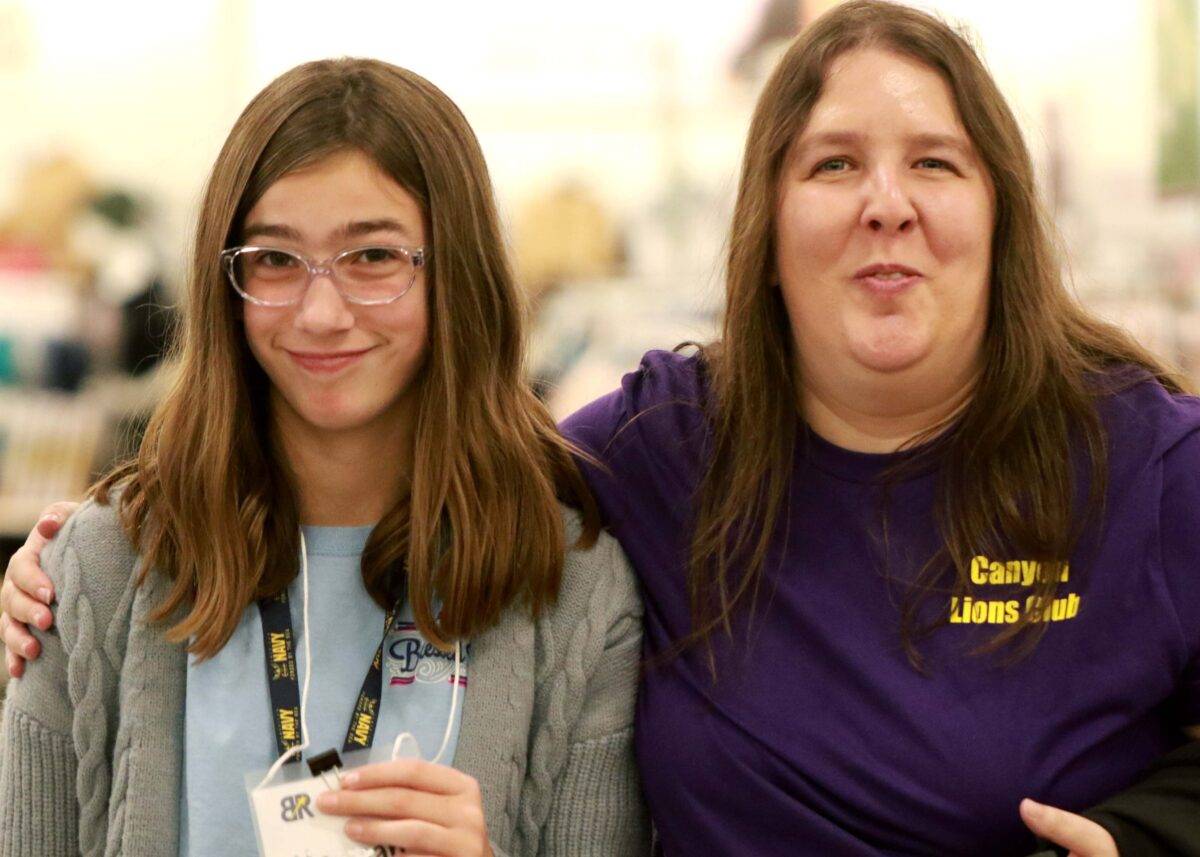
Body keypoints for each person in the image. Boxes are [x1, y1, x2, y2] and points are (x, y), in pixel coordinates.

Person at [7, 3, 1200, 856]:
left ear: (1003, 209)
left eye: (934, 162)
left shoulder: (1145, 459)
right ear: (766, 231)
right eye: (834, 164)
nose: (886, 202)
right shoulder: (666, 453)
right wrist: (76, 550)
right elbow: (473, 462)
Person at [0, 58, 647, 857]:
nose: (320, 310)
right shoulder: (97, 570)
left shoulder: (573, 594)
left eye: (372, 257)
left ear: (457, 273)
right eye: (274, 259)